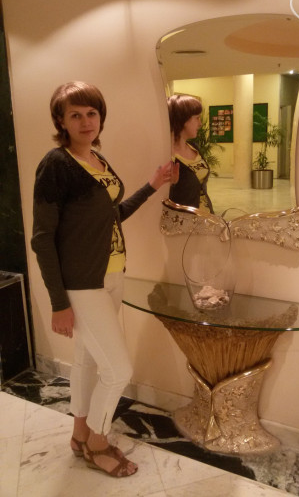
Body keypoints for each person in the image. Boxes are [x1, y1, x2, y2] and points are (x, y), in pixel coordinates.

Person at [31, 81, 174, 478]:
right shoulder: (56, 164)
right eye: (75, 114)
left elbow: (112, 216)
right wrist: (59, 302)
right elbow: (42, 238)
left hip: (113, 273)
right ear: (60, 120)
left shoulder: (97, 159)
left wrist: (152, 186)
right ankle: (98, 442)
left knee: (88, 359)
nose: (85, 121)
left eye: (91, 113)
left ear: (100, 117)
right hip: (82, 283)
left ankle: (79, 434)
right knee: (118, 370)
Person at [168, 94, 214, 213]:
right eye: (197, 118)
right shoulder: (168, 156)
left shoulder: (194, 147)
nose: (200, 123)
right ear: (183, 120)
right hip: (185, 220)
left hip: (206, 218)